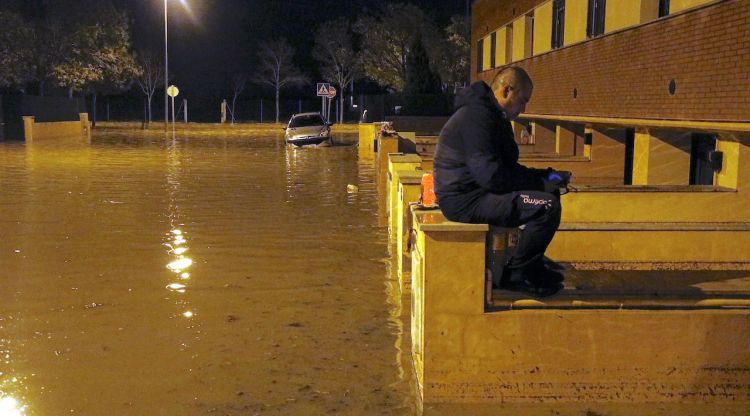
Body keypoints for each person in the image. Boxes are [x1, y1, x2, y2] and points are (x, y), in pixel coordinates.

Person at [433, 67, 571, 297]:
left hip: (477, 191)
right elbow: (491, 176)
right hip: (464, 199)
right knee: (546, 206)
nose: (524, 109)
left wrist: (547, 177)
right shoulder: (477, 118)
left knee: (551, 194)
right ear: (508, 91)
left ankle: (531, 262)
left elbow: (506, 169)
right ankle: (517, 274)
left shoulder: (493, 116)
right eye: (523, 101)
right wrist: (539, 183)